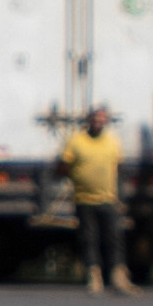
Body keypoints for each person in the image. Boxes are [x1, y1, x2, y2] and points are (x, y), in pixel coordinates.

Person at [62, 104, 133, 293]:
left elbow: (119, 168)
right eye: (95, 119)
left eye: (102, 119)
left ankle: (118, 277)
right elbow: (64, 164)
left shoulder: (112, 141)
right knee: (89, 238)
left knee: (114, 238)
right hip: (84, 199)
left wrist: (121, 195)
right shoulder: (77, 141)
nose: (98, 122)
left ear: (106, 122)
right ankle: (94, 277)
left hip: (108, 199)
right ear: (89, 121)